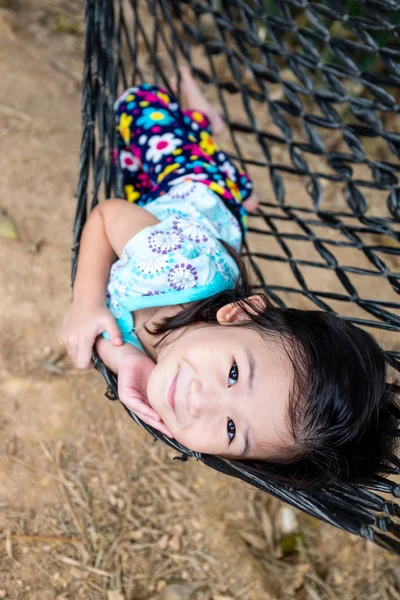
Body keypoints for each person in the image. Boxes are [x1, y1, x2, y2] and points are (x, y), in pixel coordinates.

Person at [62, 66, 398, 488]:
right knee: (137, 105)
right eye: (235, 373)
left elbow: (117, 339)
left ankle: (219, 152)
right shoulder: (170, 260)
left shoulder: (172, 371)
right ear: (238, 314)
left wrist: (125, 358)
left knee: (233, 189)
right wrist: (86, 302)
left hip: (222, 224)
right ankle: (202, 119)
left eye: (232, 430)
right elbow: (106, 214)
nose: (201, 401)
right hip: (189, 188)